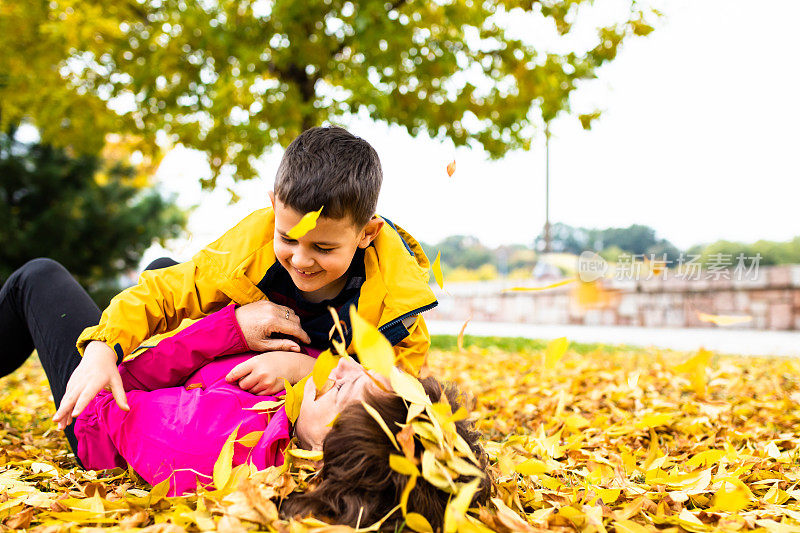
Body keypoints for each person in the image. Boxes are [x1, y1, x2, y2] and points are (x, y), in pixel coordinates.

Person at [0, 260, 488, 530]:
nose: (340, 367)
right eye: (363, 370)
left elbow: (127, 385)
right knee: (169, 270)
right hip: (202, 385)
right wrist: (298, 364)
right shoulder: (310, 426)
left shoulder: (203, 444)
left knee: (39, 278)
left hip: (104, 413)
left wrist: (227, 330)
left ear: (322, 455)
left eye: (342, 386)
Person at [54, 125, 438, 433]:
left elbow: (392, 395)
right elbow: (166, 291)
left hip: (268, 406)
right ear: (274, 208)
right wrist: (103, 347)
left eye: (323, 248)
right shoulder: (249, 251)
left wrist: (304, 370)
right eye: (287, 238)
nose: (301, 260)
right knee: (165, 269)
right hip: (209, 368)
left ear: (366, 234)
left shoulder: (396, 307)